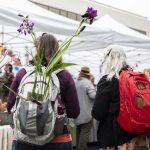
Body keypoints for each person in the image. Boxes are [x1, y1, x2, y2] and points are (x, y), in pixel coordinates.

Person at [7, 33, 80, 150]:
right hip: (57, 140)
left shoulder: (23, 73)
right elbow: (74, 112)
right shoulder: (64, 76)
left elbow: (10, 106)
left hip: (23, 139)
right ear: (57, 51)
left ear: (36, 50)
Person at [92, 45, 136, 150]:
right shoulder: (133, 78)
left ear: (109, 60)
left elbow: (98, 113)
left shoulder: (108, 81)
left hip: (112, 137)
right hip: (133, 135)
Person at [75, 66, 96, 150]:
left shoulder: (75, 82)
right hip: (87, 114)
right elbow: (93, 96)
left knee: (79, 134)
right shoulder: (88, 83)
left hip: (77, 113)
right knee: (84, 134)